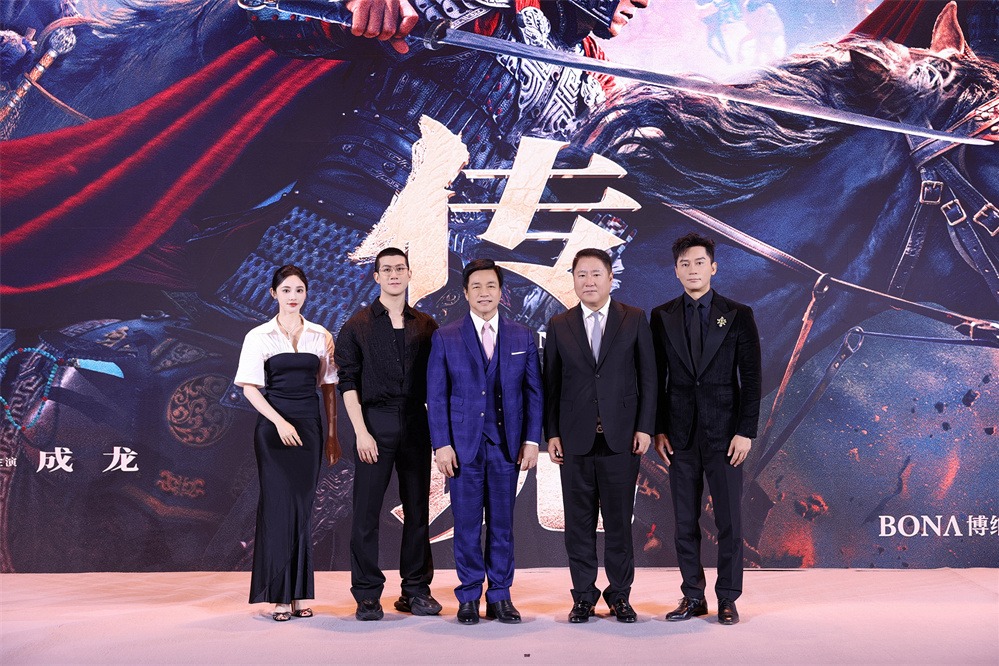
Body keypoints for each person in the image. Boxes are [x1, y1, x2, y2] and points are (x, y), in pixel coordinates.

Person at [650, 233, 761, 625]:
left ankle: (728, 597)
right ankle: (692, 596)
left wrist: (746, 431)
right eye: (685, 264)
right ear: (676, 271)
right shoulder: (661, 316)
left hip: (726, 436)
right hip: (679, 436)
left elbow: (751, 377)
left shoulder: (738, 314)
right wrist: (659, 429)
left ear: (713, 267)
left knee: (729, 521)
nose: (692, 270)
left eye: (699, 263)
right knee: (684, 521)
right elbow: (656, 378)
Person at [426, 259, 543, 625]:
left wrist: (532, 440)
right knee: (466, 526)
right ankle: (468, 595)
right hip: (463, 448)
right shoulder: (445, 336)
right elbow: (436, 396)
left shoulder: (522, 336)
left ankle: (500, 596)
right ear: (465, 293)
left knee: (502, 526)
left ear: (501, 291)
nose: (484, 292)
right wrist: (441, 444)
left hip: (507, 446)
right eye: (476, 286)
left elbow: (534, 393)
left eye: (490, 285)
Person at [543, 248, 656, 624]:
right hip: (574, 441)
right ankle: (583, 597)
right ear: (573, 280)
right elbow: (551, 384)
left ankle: (620, 595)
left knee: (619, 524)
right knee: (578, 525)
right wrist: (552, 433)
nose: (588, 281)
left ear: (610, 279)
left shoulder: (634, 318)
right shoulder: (559, 324)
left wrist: (644, 426)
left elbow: (649, 378)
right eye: (581, 275)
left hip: (621, 440)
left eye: (596, 274)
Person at [334, 247, 441, 621]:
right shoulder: (358, 325)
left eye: (400, 268)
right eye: (387, 269)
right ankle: (366, 594)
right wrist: (361, 432)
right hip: (373, 423)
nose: (394, 274)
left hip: (415, 422)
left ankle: (415, 591)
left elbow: (438, 382)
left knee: (418, 510)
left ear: (409, 274)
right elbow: (347, 382)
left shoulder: (426, 325)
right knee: (366, 512)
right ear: (376, 276)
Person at [234, 265, 340, 621]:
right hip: (273, 429)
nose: (293, 297)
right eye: (286, 290)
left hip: (309, 429)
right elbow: (250, 388)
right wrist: (279, 421)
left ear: (306, 294)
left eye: (299, 290)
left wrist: (332, 435)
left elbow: (328, 388)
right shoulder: (258, 336)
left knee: (303, 510)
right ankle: (279, 595)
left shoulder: (320, 335)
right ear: (273, 293)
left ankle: (299, 595)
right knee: (278, 508)